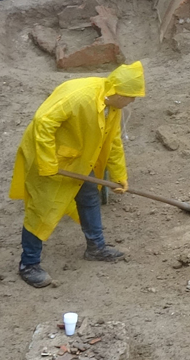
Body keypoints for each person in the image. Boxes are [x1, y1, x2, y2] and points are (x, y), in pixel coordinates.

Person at [9, 62, 146, 288]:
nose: (133, 101)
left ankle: (96, 247)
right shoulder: (81, 97)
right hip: (53, 159)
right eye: (131, 96)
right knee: (42, 210)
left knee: (90, 197)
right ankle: (29, 265)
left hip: (80, 159)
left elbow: (113, 141)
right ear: (117, 92)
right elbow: (43, 122)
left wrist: (119, 175)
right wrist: (47, 161)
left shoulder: (113, 107)